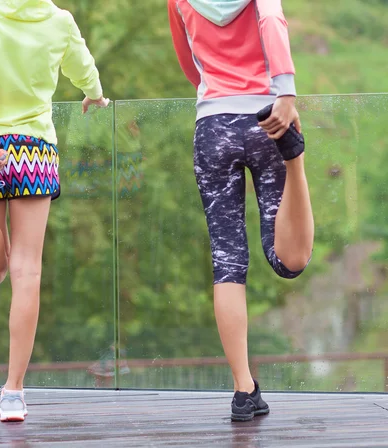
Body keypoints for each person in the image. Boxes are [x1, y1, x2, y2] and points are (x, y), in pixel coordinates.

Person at [0, 0, 109, 422]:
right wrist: (94, 96)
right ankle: (13, 391)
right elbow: (85, 70)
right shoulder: (59, 20)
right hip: (33, 148)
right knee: (26, 271)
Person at [168, 0, 314, 421]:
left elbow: (187, 57)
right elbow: (270, 18)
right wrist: (284, 91)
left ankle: (243, 389)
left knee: (227, 260)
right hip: (268, 115)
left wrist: (216, 85)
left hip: (213, 123)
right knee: (289, 261)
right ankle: (295, 159)